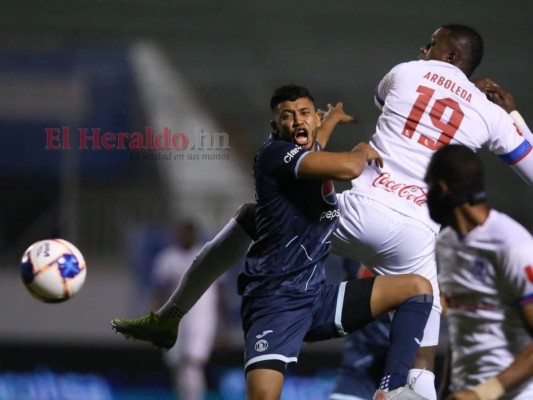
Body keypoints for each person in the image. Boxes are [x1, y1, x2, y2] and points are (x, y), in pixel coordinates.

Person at [112, 24, 533, 400]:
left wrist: (353, 143)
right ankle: (399, 388)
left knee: (256, 216)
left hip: (355, 212)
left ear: (451, 55)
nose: (423, 49)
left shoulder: (404, 72)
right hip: (414, 230)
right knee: (423, 303)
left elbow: (389, 100)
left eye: (432, 44)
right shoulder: (491, 114)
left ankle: (171, 314)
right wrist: (506, 110)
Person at [117, 84, 435, 400]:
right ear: (275, 125)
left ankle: (390, 389)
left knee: (417, 288)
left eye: (304, 113)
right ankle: (169, 316)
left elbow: (315, 145)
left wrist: (331, 120)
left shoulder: (306, 150)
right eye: (288, 116)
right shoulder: (275, 155)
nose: (297, 121)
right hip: (275, 304)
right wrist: (361, 150)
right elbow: (349, 167)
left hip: (317, 299)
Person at [424, 144, 533, 400]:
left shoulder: (513, 246)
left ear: (442, 188)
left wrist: (483, 393)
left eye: (428, 185)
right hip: (466, 392)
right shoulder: (446, 243)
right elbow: (462, 327)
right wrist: (449, 390)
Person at [150, 220, 218, 400]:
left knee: (193, 362)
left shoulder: (207, 257)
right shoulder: (167, 259)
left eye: (190, 233)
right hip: (175, 319)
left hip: (201, 319)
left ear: (195, 235)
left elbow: (220, 292)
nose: (186, 237)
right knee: (178, 364)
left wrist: (223, 324)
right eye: (182, 233)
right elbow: (159, 293)